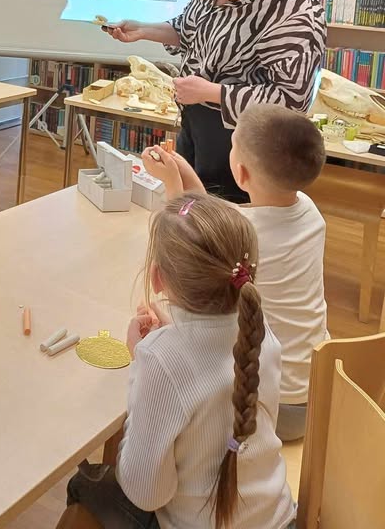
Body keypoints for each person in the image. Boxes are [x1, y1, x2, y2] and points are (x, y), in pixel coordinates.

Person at [63, 194, 296, 529]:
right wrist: (165, 346)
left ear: (157, 278)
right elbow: (210, 368)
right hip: (280, 519)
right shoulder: (260, 331)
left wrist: (143, 363)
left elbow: (147, 494)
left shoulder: (160, 360)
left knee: (84, 484)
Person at [105, 0, 326, 202]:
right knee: (187, 212)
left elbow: (292, 100)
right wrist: (143, 30)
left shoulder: (294, 2)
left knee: (224, 223)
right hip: (195, 123)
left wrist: (212, 92)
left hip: (247, 142)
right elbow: (188, 30)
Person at [143, 102, 328, 442]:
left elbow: (184, 233)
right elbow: (215, 216)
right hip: (315, 396)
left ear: (240, 174)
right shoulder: (310, 212)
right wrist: (183, 171)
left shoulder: (246, 233)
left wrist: (171, 183)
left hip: (260, 404)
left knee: (159, 331)